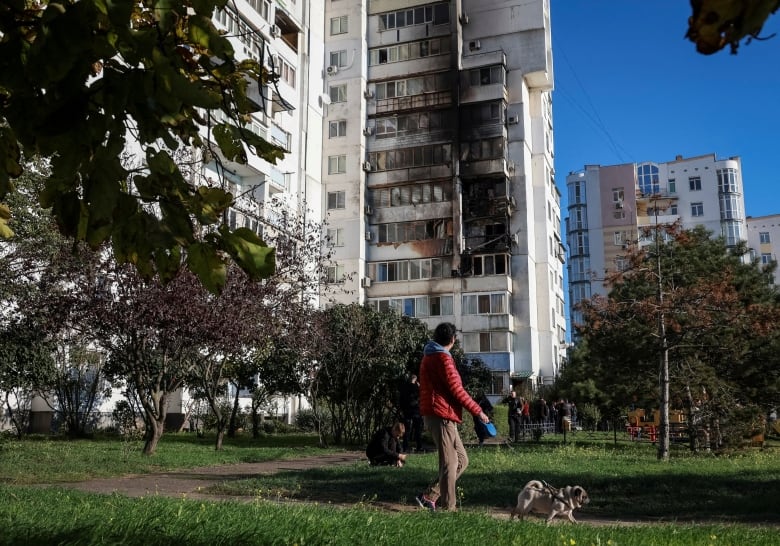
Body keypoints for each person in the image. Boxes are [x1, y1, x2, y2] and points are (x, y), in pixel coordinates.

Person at [414, 323, 489, 512]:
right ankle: (449, 509)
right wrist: (478, 411)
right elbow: (457, 390)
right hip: (441, 416)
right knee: (450, 463)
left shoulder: (428, 356)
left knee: (462, 460)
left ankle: (429, 495)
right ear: (453, 340)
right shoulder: (442, 358)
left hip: (441, 415)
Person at [399, 374, 423, 453]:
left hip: (406, 410)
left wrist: (402, 410)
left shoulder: (403, 387)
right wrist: (419, 387)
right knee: (417, 429)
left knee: (407, 430)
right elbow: (420, 396)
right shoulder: (416, 387)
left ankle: (405, 447)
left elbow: (401, 399)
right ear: (415, 379)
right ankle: (419, 447)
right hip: (415, 410)